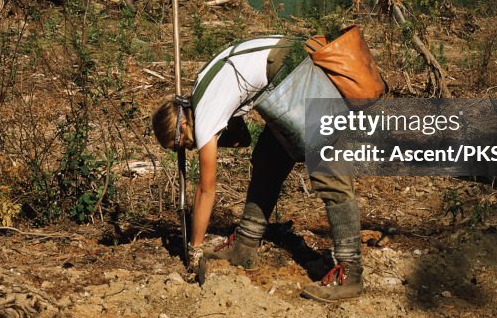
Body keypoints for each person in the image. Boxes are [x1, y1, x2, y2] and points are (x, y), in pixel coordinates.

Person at [152, 35, 364, 302]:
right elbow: (242, 136)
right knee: (268, 158)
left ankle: (350, 272)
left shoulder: (203, 117)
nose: (188, 149)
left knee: (328, 170)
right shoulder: (201, 92)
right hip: (280, 81)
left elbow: (206, 189)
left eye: (181, 144)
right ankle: (246, 245)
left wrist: (194, 249)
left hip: (293, 78)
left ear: (183, 125)